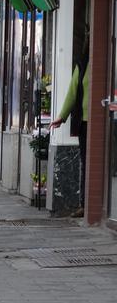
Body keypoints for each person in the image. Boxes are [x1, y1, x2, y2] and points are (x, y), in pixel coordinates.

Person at [50, 41, 90, 218]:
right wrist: (62, 116)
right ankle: (85, 204)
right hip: (86, 123)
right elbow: (73, 92)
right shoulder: (82, 65)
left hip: (109, 122)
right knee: (86, 163)